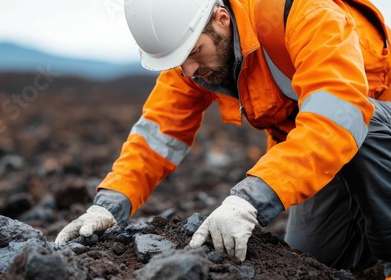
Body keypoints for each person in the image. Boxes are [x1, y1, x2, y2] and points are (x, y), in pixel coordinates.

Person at [56, 0, 391, 277]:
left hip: (370, 132)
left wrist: (250, 200)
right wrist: (111, 205)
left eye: (194, 53)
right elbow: (158, 132)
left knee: (358, 117)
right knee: (315, 259)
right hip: (326, 152)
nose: (187, 71)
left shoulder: (304, 13)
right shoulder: (190, 60)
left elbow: (337, 118)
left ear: (221, 19)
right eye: (178, 62)